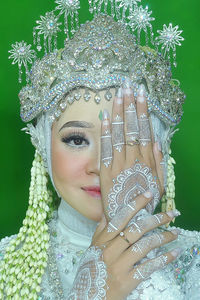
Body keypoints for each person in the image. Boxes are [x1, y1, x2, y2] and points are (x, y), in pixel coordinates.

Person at [0, 1, 200, 299]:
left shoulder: (192, 260)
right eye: (77, 140)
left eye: (123, 142)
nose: (100, 166)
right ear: (42, 146)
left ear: (159, 151)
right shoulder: (6, 267)